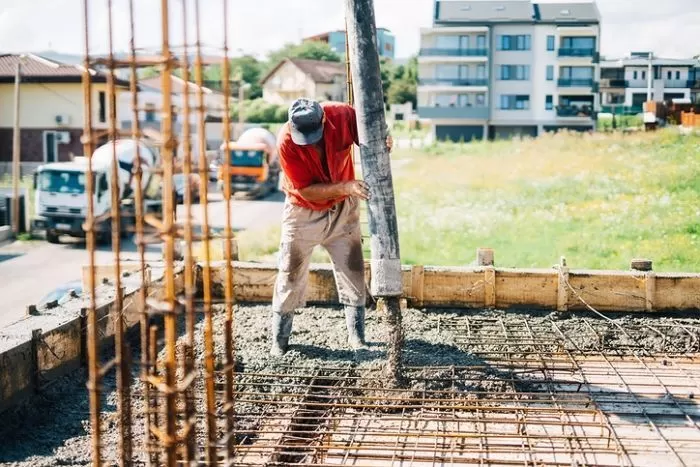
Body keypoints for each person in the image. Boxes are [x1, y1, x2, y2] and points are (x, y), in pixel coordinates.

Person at [270, 98, 393, 356]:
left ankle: (357, 339)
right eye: (303, 136)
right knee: (290, 273)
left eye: (313, 135)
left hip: (342, 210)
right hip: (303, 211)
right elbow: (306, 190)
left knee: (353, 270)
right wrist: (346, 186)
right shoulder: (285, 142)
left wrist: (385, 139)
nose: (310, 142)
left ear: (324, 119)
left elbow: (372, 132)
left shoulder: (342, 115)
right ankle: (279, 342)